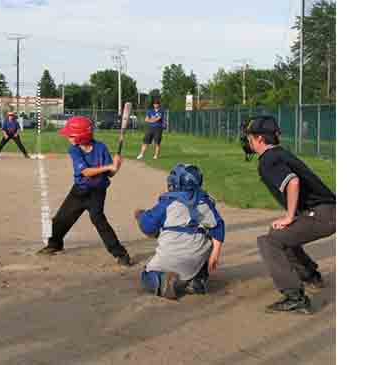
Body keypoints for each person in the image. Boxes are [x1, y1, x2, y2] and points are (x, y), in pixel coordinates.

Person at [241, 115, 336, 314]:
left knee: (269, 242)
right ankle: (310, 275)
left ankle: (295, 297)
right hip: (326, 212)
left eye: (250, 137)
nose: (247, 141)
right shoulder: (278, 153)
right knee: (278, 233)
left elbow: (292, 182)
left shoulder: (268, 159)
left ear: (259, 139)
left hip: (322, 214)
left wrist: (290, 216)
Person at [36, 116, 132, 266]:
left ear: (82, 136)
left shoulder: (101, 148)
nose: (68, 137)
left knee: (98, 219)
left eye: (71, 135)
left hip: (97, 192)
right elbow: (86, 172)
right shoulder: (74, 150)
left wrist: (116, 167)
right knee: (60, 219)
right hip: (79, 191)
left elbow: (110, 174)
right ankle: (54, 244)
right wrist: (108, 167)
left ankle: (120, 253)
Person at [135, 163, 225, 300]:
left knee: (146, 276)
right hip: (195, 261)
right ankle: (196, 280)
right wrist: (215, 254)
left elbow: (148, 227)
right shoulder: (205, 202)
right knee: (206, 238)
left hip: (170, 258)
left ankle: (162, 281)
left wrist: (140, 216)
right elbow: (218, 227)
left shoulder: (167, 203)